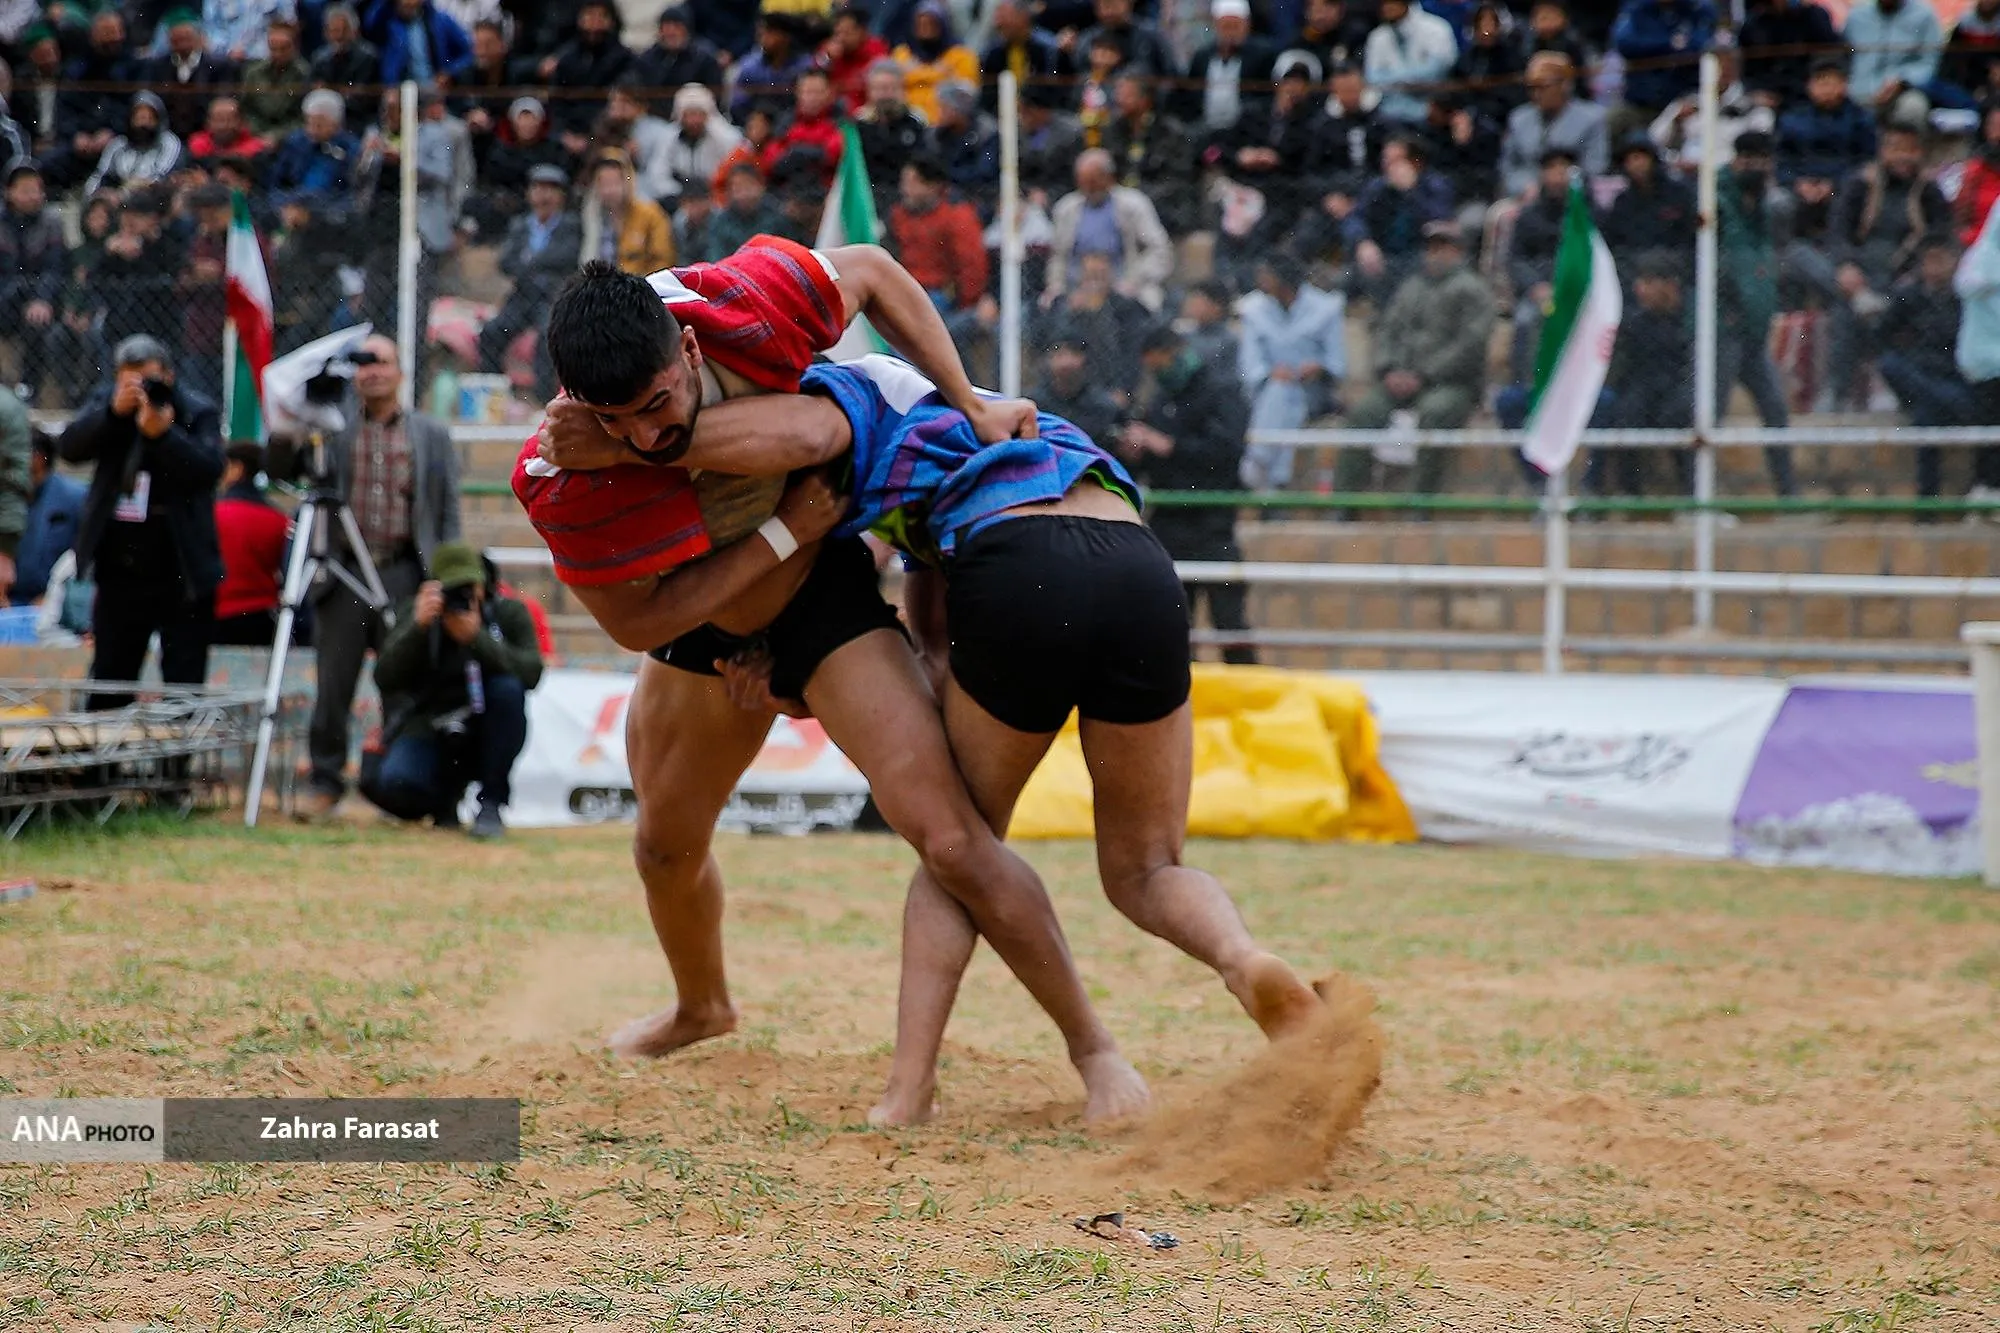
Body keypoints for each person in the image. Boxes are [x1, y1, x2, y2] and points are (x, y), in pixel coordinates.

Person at [532, 266, 1329, 1127]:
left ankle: (923, 1088)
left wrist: (625, 452)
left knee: (956, 847)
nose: (649, 433)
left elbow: (810, 433)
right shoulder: (967, 427)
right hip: (1136, 561)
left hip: (1007, 569)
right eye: (619, 421)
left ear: (694, 351)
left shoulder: (841, 385)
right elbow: (932, 619)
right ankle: (1242, 957)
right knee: (1145, 866)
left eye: (656, 408)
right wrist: (815, 686)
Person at [269, 332, 461, 819]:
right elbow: (280, 468)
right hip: (342, 574)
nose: (372, 371)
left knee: (403, 684)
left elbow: (448, 514)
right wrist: (291, 421)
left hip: (405, 573)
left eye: (382, 362)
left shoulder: (431, 435)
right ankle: (325, 781)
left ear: (401, 372)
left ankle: (397, 782)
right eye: (363, 363)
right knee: (334, 685)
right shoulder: (331, 428)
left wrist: (445, 577)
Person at [59, 335, 223, 708]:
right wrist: (113, 414)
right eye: (131, 381)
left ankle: (179, 747)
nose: (141, 391)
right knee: (110, 679)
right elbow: (70, 447)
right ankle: (104, 748)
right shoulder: (108, 403)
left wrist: (163, 436)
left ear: (169, 375)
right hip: (121, 566)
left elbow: (209, 469)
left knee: (183, 683)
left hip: (182, 567)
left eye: (149, 380)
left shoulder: (196, 410)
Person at [362, 540, 542, 838]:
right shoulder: (417, 614)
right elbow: (385, 677)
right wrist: (417, 628)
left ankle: (491, 803)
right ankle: (443, 802)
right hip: (431, 726)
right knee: (395, 785)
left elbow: (532, 673)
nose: (463, 596)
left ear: (484, 584)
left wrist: (476, 638)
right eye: (453, 589)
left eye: (470, 587)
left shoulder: (508, 613)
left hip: (486, 727)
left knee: (508, 690)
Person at [1119, 322, 1256, 665]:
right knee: (1174, 622)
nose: (1159, 373)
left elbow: (1226, 451)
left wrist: (1171, 446)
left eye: (1161, 364)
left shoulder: (1221, 391)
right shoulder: (1162, 399)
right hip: (1169, 521)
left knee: (1229, 620)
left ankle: (1245, 685)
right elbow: (1152, 458)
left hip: (1212, 520)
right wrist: (1137, 451)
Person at [1334, 220, 1496, 497]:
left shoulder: (1473, 290)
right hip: (1400, 379)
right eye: (1432, 248)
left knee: (1435, 413)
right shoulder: (1412, 286)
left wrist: (1424, 374)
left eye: (1444, 247)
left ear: (1458, 251)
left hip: (1451, 383)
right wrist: (1388, 369)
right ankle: (1345, 499)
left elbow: (1470, 344)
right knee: (1363, 413)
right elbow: (1387, 330)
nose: (1436, 254)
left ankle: (1420, 500)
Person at [1716, 132, 1797, 496]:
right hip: (1721, 328)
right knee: (1711, 413)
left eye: (1763, 160)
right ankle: (1698, 494)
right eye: (1748, 159)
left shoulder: (1767, 206)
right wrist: (1732, 305)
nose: (1756, 167)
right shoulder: (1716, 201)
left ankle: (1788, 494)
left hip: (1753, 330)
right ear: (1735, 161)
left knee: (1775, 408)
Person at [1238, 251, 1345, 491]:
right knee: (1279, 391)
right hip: (1265, 390)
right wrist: (1270, 374)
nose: (1261, 280)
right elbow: (1250, 364)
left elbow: (1337, 363)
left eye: (1266, 275)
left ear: (1283, 279)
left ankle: (1259, 461)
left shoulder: (1326, 307)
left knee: (1285, 394)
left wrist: (1318, 367)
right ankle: (1278, 477)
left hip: (1313, 390)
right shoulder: (1253, 309)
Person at [1875, 234, 1974, 497]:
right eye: (1929, 261)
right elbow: (1882, 335)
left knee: (1926, 416)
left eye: (1940, 260)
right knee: (1891, 366)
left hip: (1954, 377)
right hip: (1920, 376)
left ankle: (1927, 502)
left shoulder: (1965, 296)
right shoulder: (1909, 296)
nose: (1934, 268)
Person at [1590, 253, 1692, 496]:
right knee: (1627, 414)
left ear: (1670, 285)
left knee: (1678, 414)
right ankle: (1630, 493)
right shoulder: (1634, 323)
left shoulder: (1691, 321)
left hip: (1679, 387)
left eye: (1648, 282)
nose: (1640, 290)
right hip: (1643, 388)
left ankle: (1691, 490)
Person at [479, 164, 582, 398]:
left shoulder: (570, 225)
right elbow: (505, 261)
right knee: (492, 331)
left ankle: (542, 399)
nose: (543, 195)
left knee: (547, 336)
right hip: (522, 295)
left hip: (551, 296)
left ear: (561, 195)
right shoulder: (520, 225)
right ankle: (493, 393)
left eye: (550, 189)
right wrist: (536, 266)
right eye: (538, 188)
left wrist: (528, 262)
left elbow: (566, 256)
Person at [1044, 148, 1174, 312]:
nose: (1089, 188)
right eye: (1083, 182)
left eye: (1093, 182)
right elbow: (1058, 256)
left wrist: (1133, 280)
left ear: (1109, 177)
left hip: (1125, 286)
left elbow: (1160, 250)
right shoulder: (1066, 209)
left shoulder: (1134, 205)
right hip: (1077, 290)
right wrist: (1057, 287)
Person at [1499, 51, 1609, 200]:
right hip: (1527, 195)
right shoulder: (1518, 119)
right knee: (1500, 211)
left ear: (1565, 84)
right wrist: (1524, 186)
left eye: (1543, 87)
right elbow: (1508, 167)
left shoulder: (1592, 118)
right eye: (1532, 87)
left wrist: (1563, 182)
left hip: (1577, 196)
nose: (1536, 94)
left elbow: (1596, 166)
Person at [210, 440, 290, 644]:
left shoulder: (213, 515)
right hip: (263, 617)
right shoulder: (279, 519)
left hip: (217, 614)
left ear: (237, 468)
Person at [0, 159, 66, 405]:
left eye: (36, 189)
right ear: (9, 192)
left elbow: (55, 267)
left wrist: (42, 299)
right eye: (25, 189)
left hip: (40, 299)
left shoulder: (52, 221)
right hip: (5, 297)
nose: (33, 195)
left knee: (37, 324)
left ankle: (29, 391)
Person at [1611, 0, 1718, 136]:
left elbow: (1702, 45)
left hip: (1685, 99)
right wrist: (1670, 43)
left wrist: (1659, 46)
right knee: (1614, 120)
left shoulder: (1698, 7)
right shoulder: (1637, 7)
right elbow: (1625, 44)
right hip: (1641, 101)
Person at [1955, 194, 2000, 503]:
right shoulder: (1981, 258)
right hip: (1985, 364)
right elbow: (1969, 284)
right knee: (1989, 431)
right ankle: (1986, 492)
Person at [9, 430, 84, 606]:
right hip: (8, 600)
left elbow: (83, 556)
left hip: (57, 601)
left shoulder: (74, 498)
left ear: (40, 458)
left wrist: (52, 596)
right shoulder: (8, 493)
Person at [1846, 0, 1948, 127]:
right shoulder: (1857, 15)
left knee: (1914, 106)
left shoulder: (1924, 15)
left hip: (1902, 91)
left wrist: (1902, 80)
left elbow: (1930, 62)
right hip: (1857, 90)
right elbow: (1842, 56)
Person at [539, 0, 631, 143]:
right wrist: (563, 134)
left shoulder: (623, 59)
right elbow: (556, 101)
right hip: (567, 133)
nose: (594, 22)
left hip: (603, 132)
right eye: (589, 16)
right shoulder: (567, 58)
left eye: (600, 16)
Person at [1777, 60, 1880, 186]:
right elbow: (1783, 160)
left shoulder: (1861, 119)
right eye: (1821, 83)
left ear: (1844, 85)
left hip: (1844, 183)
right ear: (1809, 86)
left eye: (1832, 83)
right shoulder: (1792, 119)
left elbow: (1866, 161)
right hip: (1800, 182)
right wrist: (1797, 182)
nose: (1827, 90)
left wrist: (1832, 183)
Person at [1180, 0, 1276, 132]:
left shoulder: (1263, 56)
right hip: (1204, 130)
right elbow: (1189, 98)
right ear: (1215, 25)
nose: (1231, 33)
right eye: (1226, 26)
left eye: (1235, 26)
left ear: (1247, 25)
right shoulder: (1202, 57)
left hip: (1246, 131)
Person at [1364, 0, 1460, 126]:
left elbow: (1436, 73)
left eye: (1391, 2)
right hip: (1391, 113)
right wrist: (1410, 80)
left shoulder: (1437, 28)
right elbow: (1373, 79)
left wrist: (1391, 78)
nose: (1386, 7)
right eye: (1383, 3)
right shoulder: (1377, 37)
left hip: (1435, 110)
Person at [580, 149, 675, 276]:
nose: (609, 190)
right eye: (603, 183)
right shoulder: (591, 216)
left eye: (615, 183)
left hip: (639, 282)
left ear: (628, 181)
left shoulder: (651, 214)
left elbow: (663, 260)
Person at [1740, 0, 1845, 111]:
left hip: (1810, 95)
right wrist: (1755, 92)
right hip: (1768, 99)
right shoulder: (1752, 26)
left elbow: (1835, 54)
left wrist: (1822, 83)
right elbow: (1747, 71)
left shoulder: (1814, 17)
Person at [854, 61, 929, 215]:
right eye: (879, 89)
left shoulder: (916, 122)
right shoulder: (858, 124)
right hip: (867, 198)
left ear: (901, 90)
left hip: (906, 200)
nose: (885, 95)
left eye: (890, 88)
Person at [85, 92, 184, 196]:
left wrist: (137, 185)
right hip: (119, 197)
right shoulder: (118, 145)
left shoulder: (168, 143)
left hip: (155, 197)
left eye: (149, 118)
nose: (143, 125)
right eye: (139, 118)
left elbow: (164, 177)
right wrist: (96, 195)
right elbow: (100, 176)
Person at [239, 17, 313, 138]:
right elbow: (246, 110)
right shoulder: (253, 72)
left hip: (291, 135)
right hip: (257, 133)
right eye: (273, 49)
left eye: (284, 49)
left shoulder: (304, 74)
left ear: (295, 46)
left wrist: (277, 136)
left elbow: (303, 117)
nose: (278, 54)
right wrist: (258, 133)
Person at [635, 6, 725, 101]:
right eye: (667, 27)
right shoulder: (647, 60)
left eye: (677, 27)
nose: (671, 32)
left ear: (687, 29)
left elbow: (715, 96)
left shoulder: (704, 60)